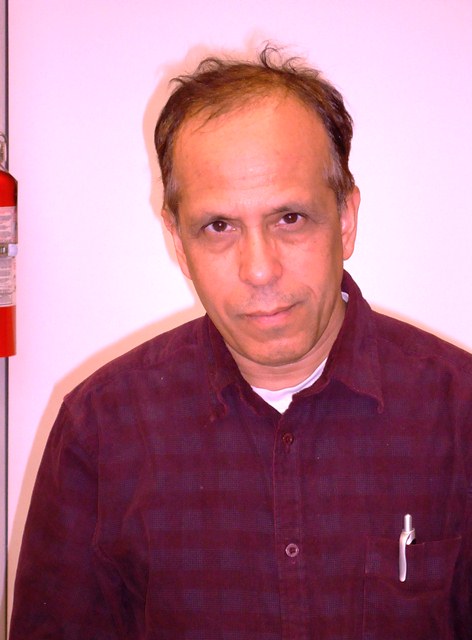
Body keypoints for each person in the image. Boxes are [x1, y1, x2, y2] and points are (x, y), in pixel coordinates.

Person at [9, 46, 472, 640]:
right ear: (179, 244)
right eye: (219, 227)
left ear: (346, 218)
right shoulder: (99, 430)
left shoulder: (458, 414)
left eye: (290, 218)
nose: (259, 269)